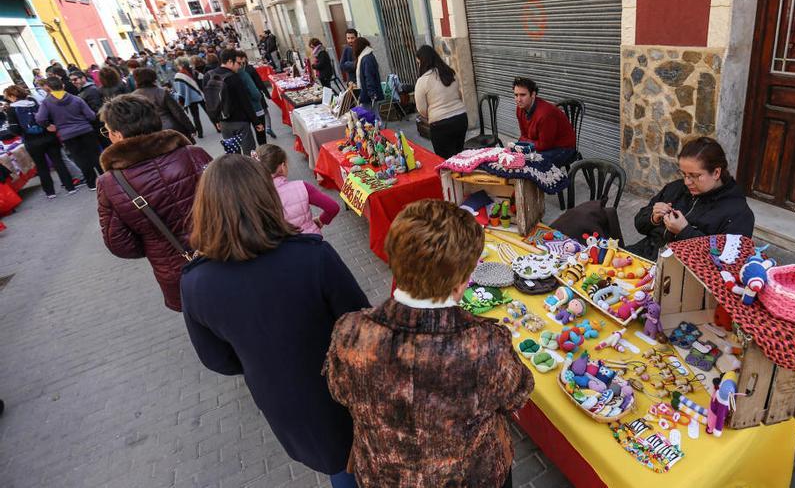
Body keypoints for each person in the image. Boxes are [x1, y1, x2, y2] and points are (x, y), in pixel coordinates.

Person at [180, 153, 367, 488]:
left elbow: (217, 359)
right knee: (358, 457)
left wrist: (264, 356)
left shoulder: (195, 282)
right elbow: (361, 321)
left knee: (338, 463)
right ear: (267, 198)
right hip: (346, 386)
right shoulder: (312, 255)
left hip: (284, 398)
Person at [326, 199, 534, 488]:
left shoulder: (349, 331)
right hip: (471, 477)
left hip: (384, 476)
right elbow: (518, 394)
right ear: (460, 280)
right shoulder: (486, 344)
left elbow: (339, 391)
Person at [96, 95, 212, 311]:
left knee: (207, 330)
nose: (108, 136)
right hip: (224, 252)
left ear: (118, 134)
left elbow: (119, 244)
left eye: (107, 131)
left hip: (177, 272)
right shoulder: (194, 154)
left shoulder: (111, 183)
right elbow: (231, 200)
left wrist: (156, 242)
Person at [628, 137, 755, 260]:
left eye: (695, 176)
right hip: (644, 255)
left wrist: (684, 232)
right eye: (684, 174)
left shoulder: (738, 213)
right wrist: (653, 218)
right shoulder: (676, 188)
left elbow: (729, 261)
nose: (687, 182)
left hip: (684, 274)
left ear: (716, 173)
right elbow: (639, 225)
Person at [4, 85, 76, 198]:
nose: (8, 99)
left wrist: (22, 132)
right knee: (58, 162)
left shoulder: (11, 110)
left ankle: (50, 192)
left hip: (32, 142)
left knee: (42, 166)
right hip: (49, 137)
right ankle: (70, 187)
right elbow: (48, 117)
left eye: (8, 97)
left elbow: (15, 129)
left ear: (13, 96)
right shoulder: (34, 101)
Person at [36, 77, 103, 190]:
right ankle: (105, 179)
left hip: (67, 135)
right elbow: (91, 115)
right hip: (86, 130)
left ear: (49, 88)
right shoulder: (77, 99)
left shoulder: (47, 103)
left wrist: (48, 126)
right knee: (95, 156)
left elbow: (40, 118)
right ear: (63, 85)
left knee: (81, 159)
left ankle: (92, 184)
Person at [255, 144, 339, 233]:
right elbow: (332, 207)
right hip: (310, 241)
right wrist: (322, 220)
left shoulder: (255, 196)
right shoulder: (302, 187)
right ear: (283, 166)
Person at [414, 45, 468, 159]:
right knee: (459, 156)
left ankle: (451, 177)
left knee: (445, 161)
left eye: (419, 63)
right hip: (460, 119)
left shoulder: (422, 81)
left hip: (440, 125)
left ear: (423, 62)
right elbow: (459, 95)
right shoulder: (450, 72)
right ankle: (461, 175)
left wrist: (433, 114)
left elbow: (421, 109)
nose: (418, 66)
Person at [512, 77, 577, 167]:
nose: (518, 99)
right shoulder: (520, 109)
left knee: (532, 163)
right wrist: (522, 145)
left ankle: (554, 181)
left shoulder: (545, 114)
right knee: (512, 155)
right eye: (516, 95)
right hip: (541, 144)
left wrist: (527, 144)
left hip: (563, 148)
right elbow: (523, 135)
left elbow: (544, 145)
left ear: (533, 94)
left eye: (523, 95)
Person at [207, 49, 260, 156]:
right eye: (238, 63)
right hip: (240, 121)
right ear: (230, 62)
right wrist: (256, 121)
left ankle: (237, 171)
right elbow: (244, 101)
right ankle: (250, 171)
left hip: (224, 122)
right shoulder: (234, 77)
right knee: (249, 152)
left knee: (233, 154)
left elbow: (209, 100)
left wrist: (215, 120)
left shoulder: (208, 75)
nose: (239, 66)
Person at [133, 68, 196, 142]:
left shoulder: (134, 97)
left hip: (153, 133)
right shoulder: (162, 92)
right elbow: (178, 112)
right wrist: (190, 127)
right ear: (153, 78)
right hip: (173, 127)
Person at [241, 54, 276, 138]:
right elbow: (259, 81)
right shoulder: (250, 68)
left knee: (255, 114)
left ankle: (262, 129)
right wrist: (266, 93)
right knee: (265, 112)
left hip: (247, 97)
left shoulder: (238, 71)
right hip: (256, 93)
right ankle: (268, 127)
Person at [173, 57, 207, 138]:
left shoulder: (179, 75)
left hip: (190, 97)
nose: (177, 66)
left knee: (195, 115)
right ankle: (218, 127)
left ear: (181, 64)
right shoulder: (193, 70)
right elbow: (202, 79)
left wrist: (181, 100)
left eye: (177, 65)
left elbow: (180, 90)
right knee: (208, 111)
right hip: (200, 94)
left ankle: (200, 133)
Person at [354, 37, 382, 110]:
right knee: (373, 114)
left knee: (372, 115)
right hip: (369, 92)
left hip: (368, 93)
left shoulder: (366, 58)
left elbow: (369, 77)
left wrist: (371, 93)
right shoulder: (366, 57)